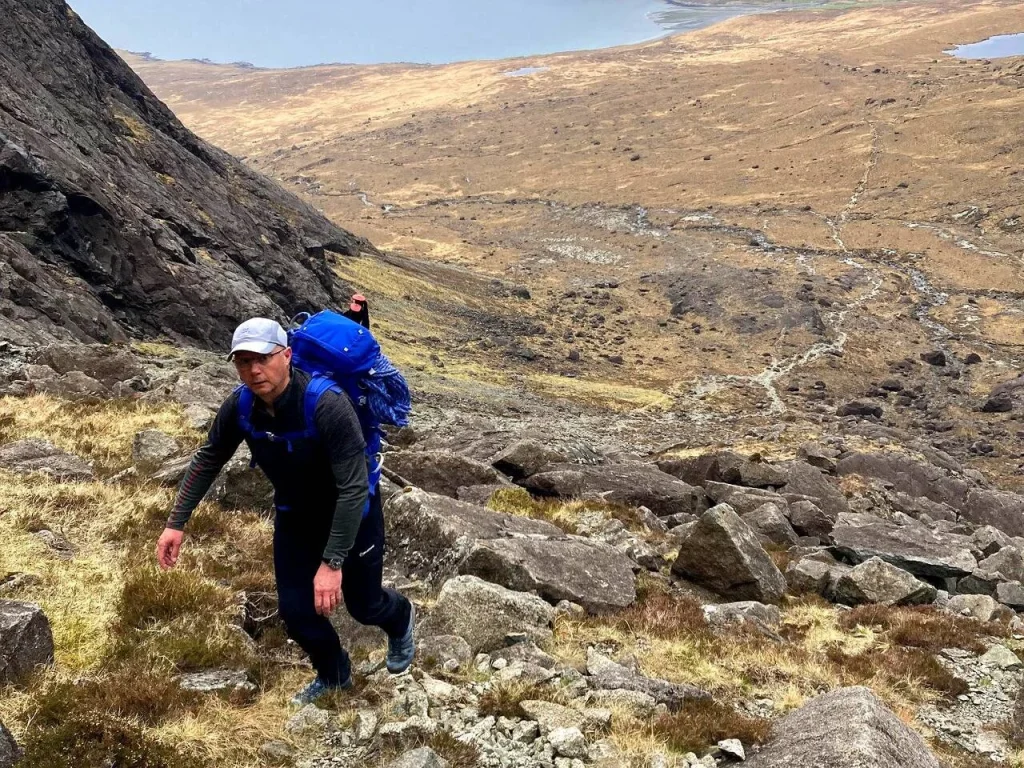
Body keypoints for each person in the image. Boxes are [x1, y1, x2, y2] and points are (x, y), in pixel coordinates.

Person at [155, 317, 415, 705]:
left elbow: (353, 487)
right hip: (295, 516)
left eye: (263, 358)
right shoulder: (241, 405)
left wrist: (332, 562)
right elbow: (210, 457)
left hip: (353, 514)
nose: (254, 370)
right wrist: (176, 524)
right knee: (297, 614)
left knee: (365, 606)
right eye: (243, 362)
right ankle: (334, 675)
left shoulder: (327, 404)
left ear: (287, 355)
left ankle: (402, 618)